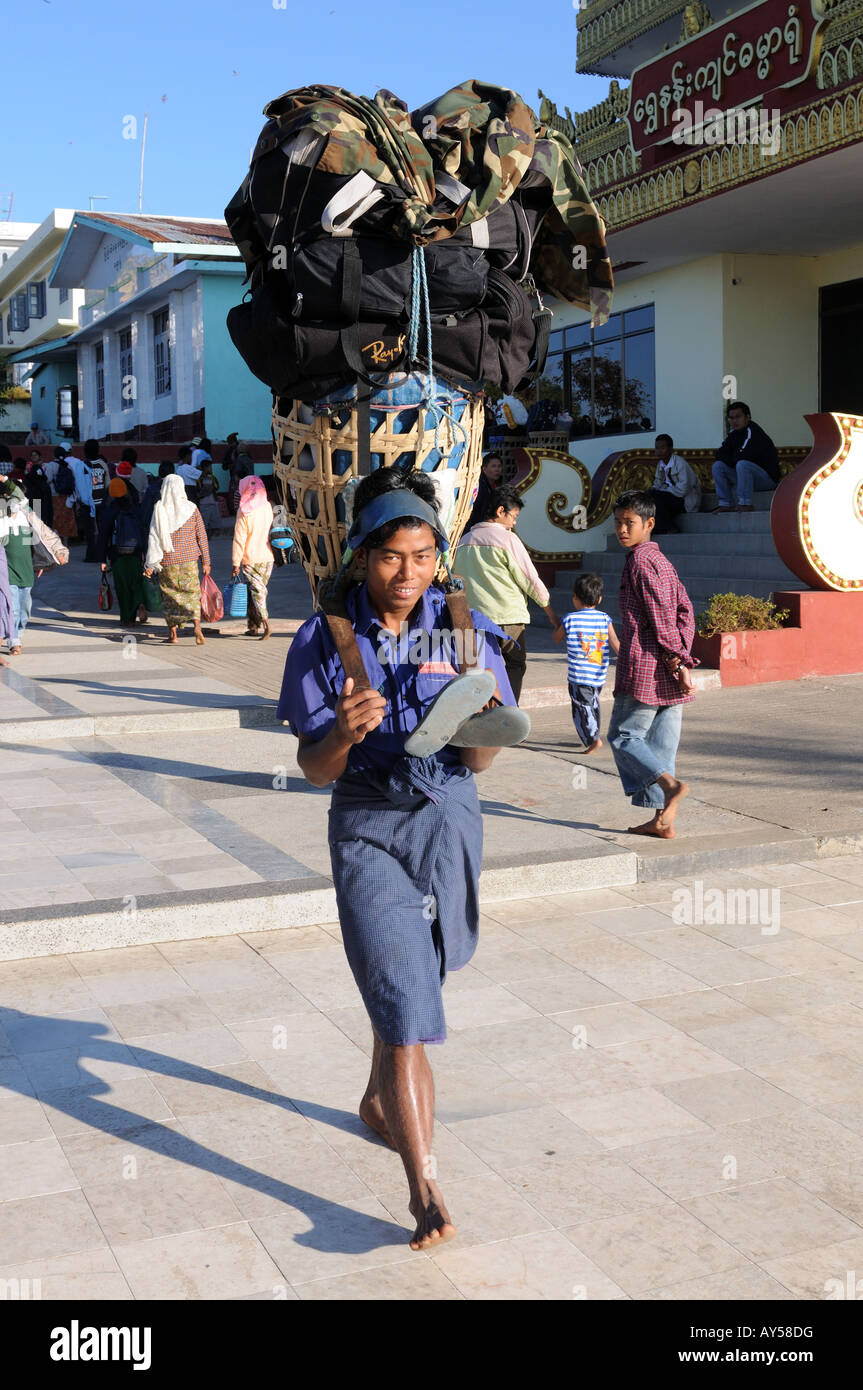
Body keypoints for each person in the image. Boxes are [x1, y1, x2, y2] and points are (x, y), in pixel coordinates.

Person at [279, 464, 518, 1251]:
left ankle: (378, 1103)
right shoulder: (328, 637)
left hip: (449, 818)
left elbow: (483, 764)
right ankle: (424, 1192)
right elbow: (315, 771)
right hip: (369, 826)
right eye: (389, 557)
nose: (405, 574)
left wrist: (479, 725)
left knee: (411, 983)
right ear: (360, 555)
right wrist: (343, 732)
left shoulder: (461, 623)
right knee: (408, 1008)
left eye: (420, 555)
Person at [607, 490, 695, 839]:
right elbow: (686, 610)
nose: (622, 530)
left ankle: (670, 785)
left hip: (646, 664)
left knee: (623, 735)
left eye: (629, 523)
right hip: (667, 665)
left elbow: (661, 617)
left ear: (650, 524)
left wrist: (679, 660)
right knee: (660, 745)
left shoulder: (642, 563)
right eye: (618, 523)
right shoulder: (664, 563)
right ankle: (663, 821)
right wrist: (681, 653)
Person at [454, 484, 560, 703]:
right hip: (508, 618)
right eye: (513, 516)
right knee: (514, 665)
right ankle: (509, 712)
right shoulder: (507, 539)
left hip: (475, 620)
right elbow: (529, 578)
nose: (514, 522)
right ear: (500, 511)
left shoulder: (463, 542)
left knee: (481, 669)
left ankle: (485, 711)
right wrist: (550, 613)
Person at [0, 477, 69, 655]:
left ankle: (18, 634)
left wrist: (57, 553)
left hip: (26, 571)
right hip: (8, 571)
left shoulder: (28, 515)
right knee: (13, 607)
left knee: (25, 609)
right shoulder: (2, 516)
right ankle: (13, 639)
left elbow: (45, 536)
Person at [553, 572, 619, 753]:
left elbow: (556, 638)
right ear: (599, 599)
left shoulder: (569, 619)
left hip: (578, 675)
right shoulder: (605, 618)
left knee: (581, 707)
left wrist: (558, 625)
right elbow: (614, 641)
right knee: (593, 703)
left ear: (575, 598)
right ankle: (594, 733)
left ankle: (592, 738)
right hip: (598, 674)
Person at [144, 473, 211, 645]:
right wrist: (206, 561)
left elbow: (154, 537)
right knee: (192, 593)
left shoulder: (160, 509)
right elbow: (201, 536)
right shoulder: (192, 508)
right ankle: (197, 626)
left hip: (168, 561)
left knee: (169, 596)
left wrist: (150, 564)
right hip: (189, 560)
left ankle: (173, 635)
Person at [96, 478, 148, 627]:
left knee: (122, 586)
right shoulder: (136, 508)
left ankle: (127, 618)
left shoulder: (109, 510)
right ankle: (139, 602)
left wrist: (102, 559)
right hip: (136, 552)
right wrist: (146, 552)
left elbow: (103, 536)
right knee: (136, 583)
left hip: (117, 554)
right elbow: (143, 532)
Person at [712, 401, 780, 513]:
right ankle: (725, 503)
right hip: (746, 478)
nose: (734, 421)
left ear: (747, 417)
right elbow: (719, 454)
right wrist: (731, 459)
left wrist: (731, 459)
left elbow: (742, 456)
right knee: (718, 466)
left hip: (766, 480)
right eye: (731, 418)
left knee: (742, 464)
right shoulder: (733, 434)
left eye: (738, 417)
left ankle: (745, 503)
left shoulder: (753, 432)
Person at [231, 475, 274, 640]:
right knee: (257, 591)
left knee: (258, 593)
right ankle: (253, 625)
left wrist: (235, 562)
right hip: (268, 557)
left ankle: (266, 624)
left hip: (250, 558)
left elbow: (239, 539)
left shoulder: (244, 511)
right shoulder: (267, 506)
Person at [648, 433, 701, 534]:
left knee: (658, 498)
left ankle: (669, 527)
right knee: (650, 496)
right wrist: (654, 489)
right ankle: (659, 527)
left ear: (671, 449)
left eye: (662, 448)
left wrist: (663, 491)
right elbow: (658, 482)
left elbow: (683, 490)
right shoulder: (661, 464)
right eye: (657, 448)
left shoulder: (680, 463)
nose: (659, 451)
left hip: (686, 500)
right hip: (671, 498)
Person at [82, 440, 110, 562]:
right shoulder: (102, 464)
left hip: (87, 503)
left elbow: (79, 485)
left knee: (89, 530)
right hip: (101, 502)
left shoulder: (82, 465)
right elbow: (108, 483)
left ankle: (91, 555)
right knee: (101, 529)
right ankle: (101, 554)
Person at [465, 452, 504, 531]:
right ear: (484, 469)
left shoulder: (495, 486)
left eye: (499, 466)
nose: (497, 469)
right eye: (493, 466)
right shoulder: (480, 487)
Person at [49, 448, 78, 542]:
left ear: (54, 455)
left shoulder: (51, 465)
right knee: (66, 519)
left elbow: (48, 479)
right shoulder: (68, 466)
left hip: (54, 496)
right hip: (66, 497)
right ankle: (66, 543)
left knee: (56, 519)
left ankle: (57, 542)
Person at [196, 460, 222, 538]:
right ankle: (205, 535)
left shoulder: (213, 477)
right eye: (209, 467)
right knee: (204, 520)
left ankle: (211, 533)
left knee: (214, 519)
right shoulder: (199, 478)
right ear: (204, 468)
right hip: (204, 502)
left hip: (213, 501)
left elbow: (217, 487)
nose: (211, 469)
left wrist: (212, 484)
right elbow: (198, 488)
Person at [228, 442, 254, 515]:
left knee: (239, 498)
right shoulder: (250, 459)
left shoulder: (239, 459)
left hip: (242, 482)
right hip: (250, 482)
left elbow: (237, 471)